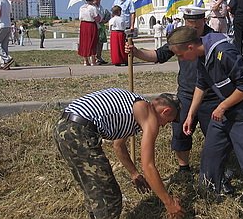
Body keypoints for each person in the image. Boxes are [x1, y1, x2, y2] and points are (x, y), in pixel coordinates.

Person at [167, 26, 243, 219]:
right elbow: (202, 84)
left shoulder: (225, 53)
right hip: (223, 114)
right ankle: (208, 204)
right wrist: (190, 114)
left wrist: (223, 106)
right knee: (210, 158)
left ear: (191, 47)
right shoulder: (201, 57)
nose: (180, 59)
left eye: (180, 55)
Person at [54, 88, 185, 219]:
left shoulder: (132, 109)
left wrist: (134, 173)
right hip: (79, 130)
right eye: (168, 121)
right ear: (166, 111)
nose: (163, 126)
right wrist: (169, 202)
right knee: (109, 199)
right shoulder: (148, 115)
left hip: (63, 126)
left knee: (94, 190)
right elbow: (148, 166)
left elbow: (118, 146)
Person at [125, 6, 221, 174]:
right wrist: (136, 52)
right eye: (188, 24)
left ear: (203, 21)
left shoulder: (213, 38)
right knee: (180, 133)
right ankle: (184, 168)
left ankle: (218, 169)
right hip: (185, 94)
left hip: (210, 96)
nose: (192, 29)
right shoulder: (180, 38)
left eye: (196, 25)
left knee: (215, 135)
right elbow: (158, 55)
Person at [78, 0, 101, 66]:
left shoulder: (82, 7)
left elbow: (80, 17)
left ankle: (85, 60)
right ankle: (93, 60)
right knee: (92, 41)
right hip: (91, 25)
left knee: (84, 42)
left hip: (83, 25)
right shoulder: (93, 8)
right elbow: (97, 18)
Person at [94, 0, 110, 65]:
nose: (99, 1)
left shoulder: (101, 7)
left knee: (101, 42)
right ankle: (96, 57)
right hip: (96, 25)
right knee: (96, 42)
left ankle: (99, 56)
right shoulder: (93, 7)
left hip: (101, 25)